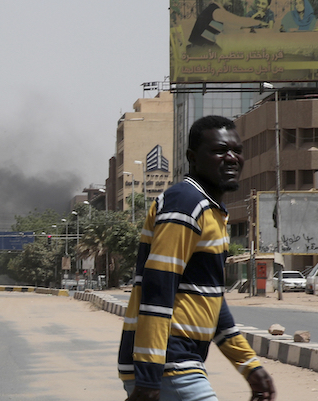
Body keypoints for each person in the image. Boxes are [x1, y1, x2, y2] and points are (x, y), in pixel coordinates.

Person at [118, 116, 276, 401]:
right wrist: (149, 377)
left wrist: (249, 365)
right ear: (193, 158)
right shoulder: (186, 202)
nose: (232, 158)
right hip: (169, 362)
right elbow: (158, 286)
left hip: (177, 361)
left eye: (237, 151)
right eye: (219, 151)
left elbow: (212, 299)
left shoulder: (213, 210)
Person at [188, 0, 269, 50]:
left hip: (201, 46)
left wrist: (244, 30)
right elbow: (238, 20)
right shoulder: (217, 11)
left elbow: (227, 29)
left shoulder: (213, 9)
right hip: (200, 49)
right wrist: (259, 22)